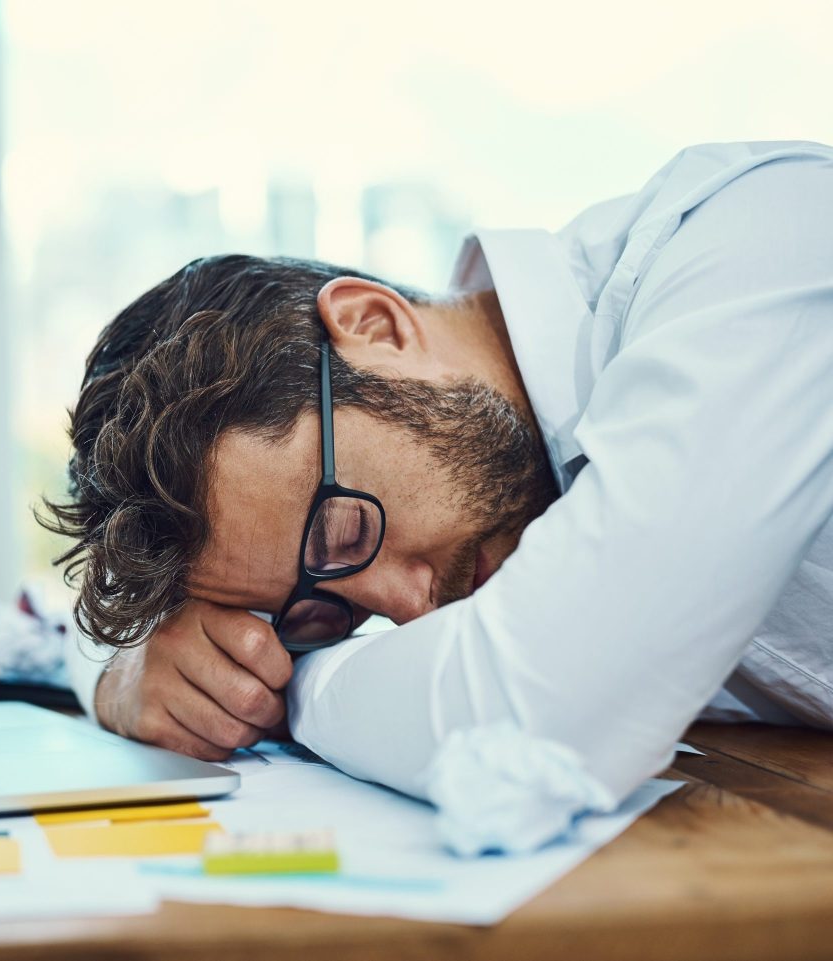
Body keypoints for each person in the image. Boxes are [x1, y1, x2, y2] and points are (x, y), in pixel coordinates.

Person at [43, 140, 833, 822]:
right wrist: (132, 675)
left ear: (375, 325)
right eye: (327, 612)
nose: (413, 609)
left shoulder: (748, 245)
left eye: (346, 531)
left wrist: (279, 695)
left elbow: (537, 718)